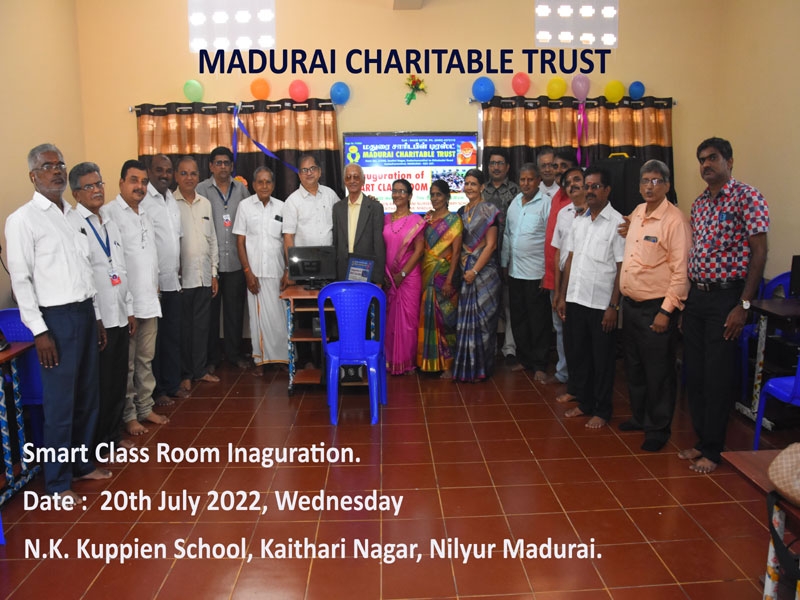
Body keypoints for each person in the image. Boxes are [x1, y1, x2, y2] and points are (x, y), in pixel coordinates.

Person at [6, 144, 111, 502]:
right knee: (60, 404)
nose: (56, 171)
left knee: (87, 396)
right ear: (33, 175)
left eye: (60, 165)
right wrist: (39, 331)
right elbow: (21, 281)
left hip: (84, 313)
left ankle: (81, 465)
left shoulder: (73, 216)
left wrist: (96, 317)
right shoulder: (23, 220)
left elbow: (86, 272)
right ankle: (57, 483)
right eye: (47, 166)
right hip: (54, 321)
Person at [680, 137, 769, 473]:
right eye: (702, 159)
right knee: (696, 372)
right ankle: (702, 439)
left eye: (713, 158)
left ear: (729, 161)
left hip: (727, 297)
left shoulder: (748, 197)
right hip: (698, 296)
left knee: (717, 375)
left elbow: (759, 253)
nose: (706, 164)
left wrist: (743, 304)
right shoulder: (700, 203)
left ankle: (713, 450)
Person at [619, 160, 691, 452]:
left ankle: (658, 429)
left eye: (656, 181)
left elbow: (681, 271)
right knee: (634, 367)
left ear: (667, 185)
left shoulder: (675, 221)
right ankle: (640, 417)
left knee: (658, 372)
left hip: (656, 309)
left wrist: (666, 311)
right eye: (645, 181)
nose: (650, 186)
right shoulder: (638, 212)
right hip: (631, 305)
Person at [70, 162, 136, 457]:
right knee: (100, 383)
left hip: (119, 312)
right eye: (89, 186)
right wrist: (96, 317)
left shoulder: (108, 220)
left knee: (118, 379)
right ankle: (96, 443)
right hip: (100, 319)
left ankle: (112, 436)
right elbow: (84, 276)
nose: (97, 190)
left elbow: (120, 266)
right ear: (76, 193)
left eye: (99, 184)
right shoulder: (74, 225)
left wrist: (129, 308)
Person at [104, 160, 169, 436]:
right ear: (121, 182)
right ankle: (129, 415)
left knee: (145, 359)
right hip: (126, 305)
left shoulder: (145, 213)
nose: (139, 186)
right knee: (128, 364)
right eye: (134, 180)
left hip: (149, 300)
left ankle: (145, 407)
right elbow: (114, 265)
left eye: (143, 182)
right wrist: (128, 306)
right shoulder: (109, 214)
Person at [556, 167, 625, 428]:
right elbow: (571, 260)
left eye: (596, 186)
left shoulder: (618, 224)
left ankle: (602, 410)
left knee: (602, 360)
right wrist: (563, 296)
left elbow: (621, 267)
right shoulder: (579, 221)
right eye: (587, 186)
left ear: (607, 190)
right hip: (576, 299)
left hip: (601, 304)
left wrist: (613, 306)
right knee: (580, 355)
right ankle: (585, 403)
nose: (590, 191)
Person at [196, 146, 250, 370]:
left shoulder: (241, 190)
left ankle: (234, 354)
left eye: (226, 163)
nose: (223, 167)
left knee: (234, 313)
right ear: (210, 166)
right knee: (210, 315)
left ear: (232, 166)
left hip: (236, 262)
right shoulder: (201, 189)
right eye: (218, 163)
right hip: (211, 265)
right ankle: (211, 358)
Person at [233, 166, 289, 375]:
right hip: (255, 274)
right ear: (254, 184)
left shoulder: (282, 207)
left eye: (268, 182)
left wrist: (287, 270)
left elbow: (287, 240)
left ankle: (282, 358)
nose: (264, 186)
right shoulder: (245, 206)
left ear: (273, 185)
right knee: (258, 321)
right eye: (260, 182)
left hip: (277, 272)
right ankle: (261, 362)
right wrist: (247, 272)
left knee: (279, 319)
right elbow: (240, 242)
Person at [502, 163, 552, 380]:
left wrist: (548, 272)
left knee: (538, 321)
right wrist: (505, 264)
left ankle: (540, 364)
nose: (526, 183)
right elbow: (507, 235)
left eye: (530, 179)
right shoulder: (515, 203)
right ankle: (524, 359)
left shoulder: (546, 204)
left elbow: (551, 240)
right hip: (515, 272)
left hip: (536, 274)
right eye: (522, 179)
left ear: (538, 180)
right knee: (519, 318)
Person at [142, 154, 185, 405]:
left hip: (173, 281)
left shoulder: (171, 200)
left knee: (172, 336)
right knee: (154, 343)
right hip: (154, 285)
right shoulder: (144, 200)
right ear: (150, 171)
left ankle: (171, 384)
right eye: (159, 170)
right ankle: (157, 391)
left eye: (168, 171)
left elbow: (176, 239)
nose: (164, 175)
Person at [174, 156, 220, 389]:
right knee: (183, 330)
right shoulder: (169, 205)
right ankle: (185, 374)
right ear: (176, 176)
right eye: (184, 173)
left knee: (202, 328)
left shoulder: (205, 203)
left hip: (203, 276)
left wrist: (214, 273)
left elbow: (212, 240)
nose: (189, 178)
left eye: (193, 173)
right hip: (181, 280)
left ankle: (200, 370)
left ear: (198, 176)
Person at [453, 168, 502, 382]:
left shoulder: (489, 210)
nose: (469, 187)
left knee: (483, 321)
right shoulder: (460, 212)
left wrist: (474, 271)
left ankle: (482, 369)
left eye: (473, 184)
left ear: (482, 187)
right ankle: (467, 368)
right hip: (466, 271)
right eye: (467, 183)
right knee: (465, 321)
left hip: (484, 273)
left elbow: (491, 245)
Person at [417, 180, 463, 379]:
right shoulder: (427, 218)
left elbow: (456, 252)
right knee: (428, 317)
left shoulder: (454, 220)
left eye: (439, 195)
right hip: (427, 274)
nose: (435, 198)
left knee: (447, 320)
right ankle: (429, 362)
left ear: (447, 197)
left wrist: (449, 280)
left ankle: (449, 365)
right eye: (432, 195)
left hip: (444, 275)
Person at [551, 166, 587, 404]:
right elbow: (558, 253)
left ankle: (583, 389)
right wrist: (557, 291)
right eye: (568, 182)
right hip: (565, 282)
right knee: (568, 336)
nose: (572, 185)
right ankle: (572, 384)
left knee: (583, 339)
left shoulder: (594, 213)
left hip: (585, 282)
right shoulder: (564, 213)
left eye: (577, 180)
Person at [543, 150, 578, 386]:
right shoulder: (557, 196)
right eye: (555, 166)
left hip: (571, 279)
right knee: (559, 327)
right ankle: (564, 372)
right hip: (553, 275)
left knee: (571, 328)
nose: (558, 171)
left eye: (563, 166)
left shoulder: (577, 200)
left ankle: (572, 376)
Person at [482, 149, 521, 366]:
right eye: (492, 163)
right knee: (487, 305)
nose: (496, 167)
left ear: (507, 167)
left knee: (508, 304)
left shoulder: (516, 191)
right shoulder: (482, 190)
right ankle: (489, 347)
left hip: (509, 255)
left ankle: (510, 349)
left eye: (500, 163)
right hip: (485, 257)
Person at [383, 179, 425, 375]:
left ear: (409, 196)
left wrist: (403, 273)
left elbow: (419, 250)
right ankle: (390, 360)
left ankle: (407, 362)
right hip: (389, 277)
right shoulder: (385, 219)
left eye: (402, 191)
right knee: (390, 320)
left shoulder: (416, 220)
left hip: (409, 277)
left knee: (408, 321)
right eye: (395, 191)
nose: (397, 194)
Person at [332, 163, 385, 284]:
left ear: (363, 180)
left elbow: (379, 246)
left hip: (365, 269)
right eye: (348, 177)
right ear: (344, 182)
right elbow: (335, 242)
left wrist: (378, 279)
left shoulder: (375, 207)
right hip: (342, 270)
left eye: (356, 177)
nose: (352, 181)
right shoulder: (337, 208)